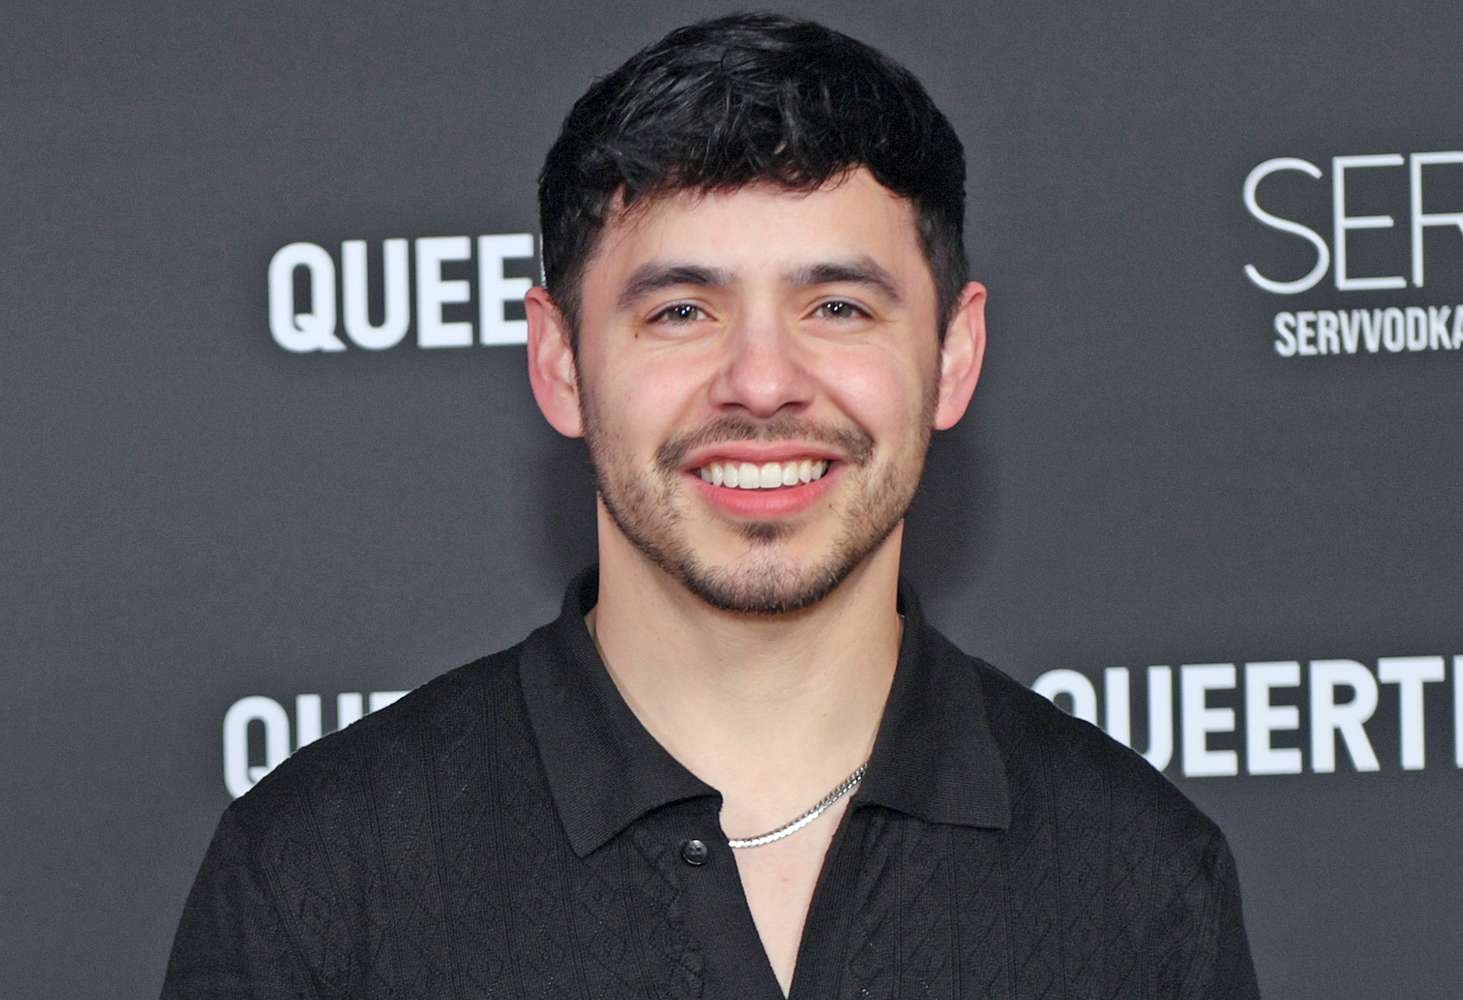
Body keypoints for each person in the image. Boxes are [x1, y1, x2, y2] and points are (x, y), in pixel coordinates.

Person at [161, 13, 1259, 999]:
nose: (763, 381)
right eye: (683, 309)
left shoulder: (1137, 880)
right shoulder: (322, 882)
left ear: (954, 353)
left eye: (837, 304)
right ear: (557, 360)